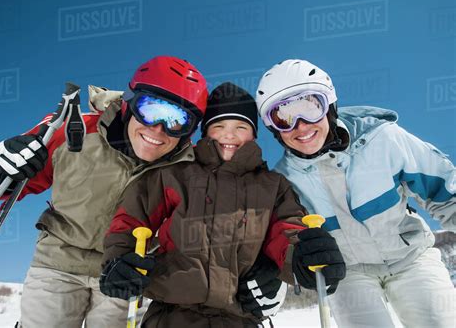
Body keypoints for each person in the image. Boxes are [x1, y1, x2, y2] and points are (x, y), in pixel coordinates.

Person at [0, 56, 209, 327]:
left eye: (177, 120)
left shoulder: (188, 167)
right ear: (128, 104)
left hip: (124, 272)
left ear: (190, 130)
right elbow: (9, 177)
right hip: (58, 262)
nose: (158, 129)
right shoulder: (76, 130)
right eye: (150, 109)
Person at [99, 82, 346, 327]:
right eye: (219, 126)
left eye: (241, 126)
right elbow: (132, 218)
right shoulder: (175, 175)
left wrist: (302, 255)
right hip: (172, 315)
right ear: (205, 132)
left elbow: (286, 230)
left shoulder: (272, 186)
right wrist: (118, 261)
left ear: (254, 135)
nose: (230, 134)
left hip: (240, 316)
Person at [254, 59, 456, 328]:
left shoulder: (382, 140)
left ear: (329, 106)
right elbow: (286, 233)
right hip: (347, 272)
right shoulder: (285, 180)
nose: (301, 126)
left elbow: (443, 188)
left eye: (310, 108)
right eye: (284, 118)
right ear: (273, 128)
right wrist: (299, 257)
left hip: (410, 258)